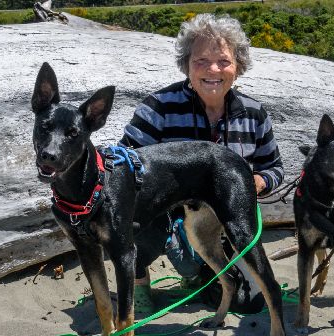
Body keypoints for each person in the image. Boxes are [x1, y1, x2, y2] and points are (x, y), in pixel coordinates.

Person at [119, 13, 284, 313]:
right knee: (139, 222)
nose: (213, 70)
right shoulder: (158, 107)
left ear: (238, 65)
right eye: (201, 61)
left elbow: (274, 168)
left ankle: (199, 273)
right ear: (186, 65)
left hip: (222, 219)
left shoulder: (254, 114)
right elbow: (123, 166)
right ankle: (140, 283)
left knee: (248, 304)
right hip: (166, 213)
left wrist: (256, 182)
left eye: (223, 61)